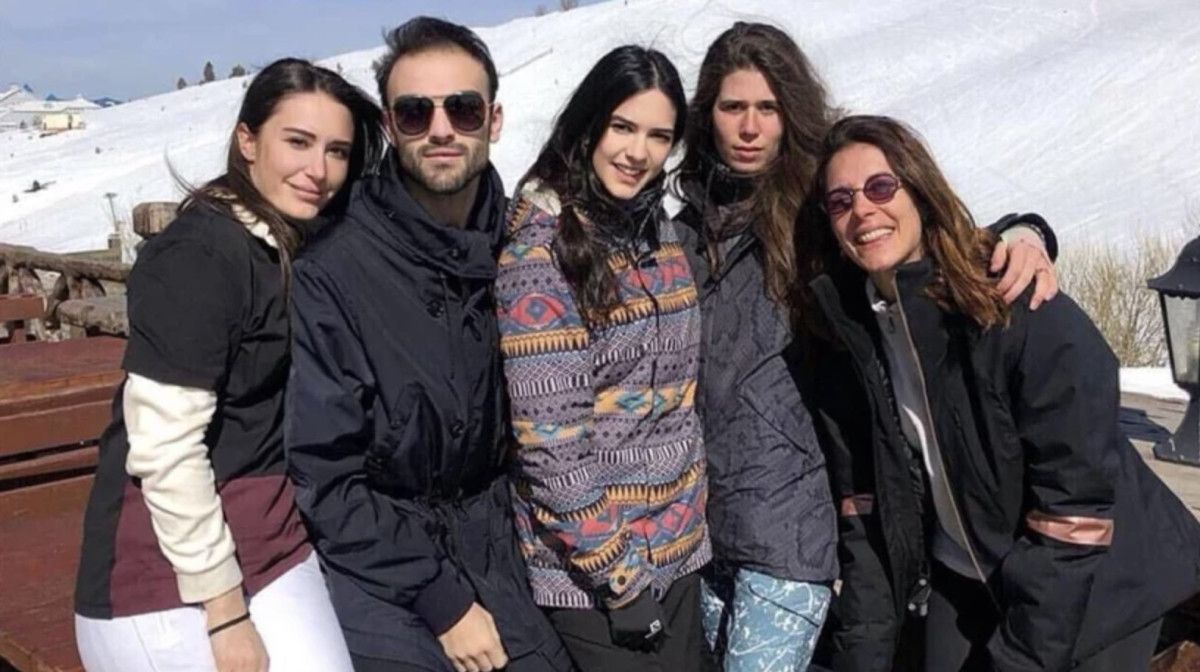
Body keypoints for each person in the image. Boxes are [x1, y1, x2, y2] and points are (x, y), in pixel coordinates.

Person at [671, 22, 1059, 671]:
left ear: (791, 112)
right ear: (706, 113)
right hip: (698, 539)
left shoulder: (817, 216)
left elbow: (918, 239)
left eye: (768, 108)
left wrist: (1022, 233)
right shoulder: (683, 233)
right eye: (733, 106)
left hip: (789, 539)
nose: (750, 127)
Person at [800, 114, 1200, 671]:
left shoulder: (1015, 305)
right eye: (841, 200)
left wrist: (1019, 659)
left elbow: (1075, 508)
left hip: (1099, 581)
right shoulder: (855, 337)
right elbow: (867, 510)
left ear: (920, 192)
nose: (862, 209)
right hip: (968, 570)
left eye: (881, 187)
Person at [74, 58, 383, 672]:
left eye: (337, 151)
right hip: (165, 574)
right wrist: (225, 612)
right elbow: (164, 446)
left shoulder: (296, 244)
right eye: (298, 142)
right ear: (248, 140)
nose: (318, 170)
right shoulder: (200, 257)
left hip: (273, 543)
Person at [283, 17, 571, 672]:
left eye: (462, 109)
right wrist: (441, 600)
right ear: (390, 127)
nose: (441, 129)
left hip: (501, 538)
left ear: (494, 120)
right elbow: (325, 477)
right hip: (381, 558)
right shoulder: (337, 268)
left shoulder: (528, 247)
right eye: (416, 113)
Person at [497, 45, 714, 671]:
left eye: (658, 136)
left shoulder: (656, 232)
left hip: (679, 549)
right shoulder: (540, 258)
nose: (637, 152)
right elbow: (552, 448)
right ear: (590, 124)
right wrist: (619, 579)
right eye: (622, 127)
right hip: (595, 576)